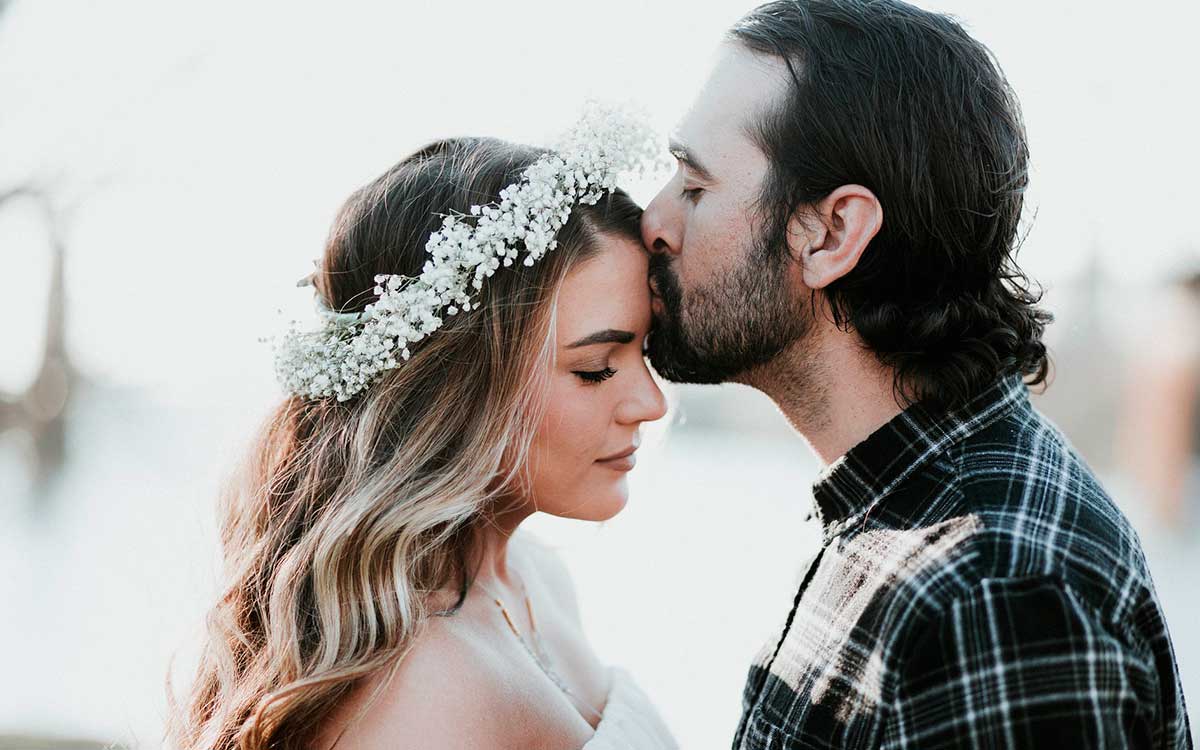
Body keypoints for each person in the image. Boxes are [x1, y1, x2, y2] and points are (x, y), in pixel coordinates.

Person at [640, 1, 1193, 747]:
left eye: (695, 187)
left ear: (832, 234)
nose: (655, 220)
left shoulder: (989, 596)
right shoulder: (897, 511)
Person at [166, 114, 677, 749]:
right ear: (455, 387)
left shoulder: (535, 578)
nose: (651, 403)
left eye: (645, 354)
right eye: (596, 368)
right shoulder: (418, 696)